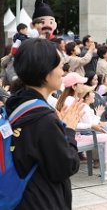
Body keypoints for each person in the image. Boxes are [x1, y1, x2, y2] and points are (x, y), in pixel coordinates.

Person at [5, 38, 82, 209]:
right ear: (46, 73)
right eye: (60, 66)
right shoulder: (43, 118)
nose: (63, 72)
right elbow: (65, 166)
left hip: (20, 198)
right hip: (41, 201)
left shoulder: (15, 103)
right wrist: (69, 130)